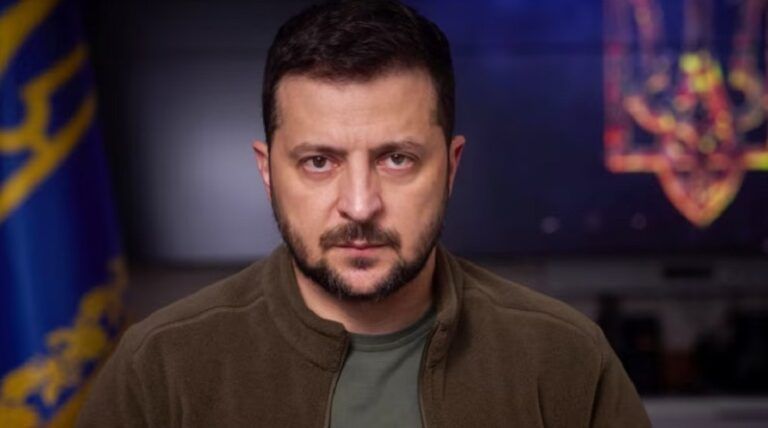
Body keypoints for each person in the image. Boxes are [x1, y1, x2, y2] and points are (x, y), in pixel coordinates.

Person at [78, 0, 651, 426]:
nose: (359, 204)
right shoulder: (159, 369)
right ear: (267, 171)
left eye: (397, 159)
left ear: (451, 167)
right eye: (319, 162)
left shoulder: (565, 358)